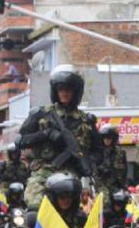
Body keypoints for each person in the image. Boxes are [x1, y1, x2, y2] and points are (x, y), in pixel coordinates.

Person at [18, 65, 100, 207]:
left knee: (83, 213)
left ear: (76, 92)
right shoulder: (41, 114)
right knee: (34, 207)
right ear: (55, 90)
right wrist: (46, 134)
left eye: (68, 89)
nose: (64, 93)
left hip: (73, 174)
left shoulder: (86, 121)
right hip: (44, 172)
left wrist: (85, 160)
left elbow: (99, 151)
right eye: (61, 89)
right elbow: (21, 141)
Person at [93, 125, 128, 197]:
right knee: (105, 200)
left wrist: (124, 186)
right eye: (105, 137)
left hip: (117, 185)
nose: (107, 140)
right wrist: (101, 168)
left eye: (109, 137)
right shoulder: (98, 151)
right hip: (102, 185)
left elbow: (125, 171)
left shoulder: (120, 152)